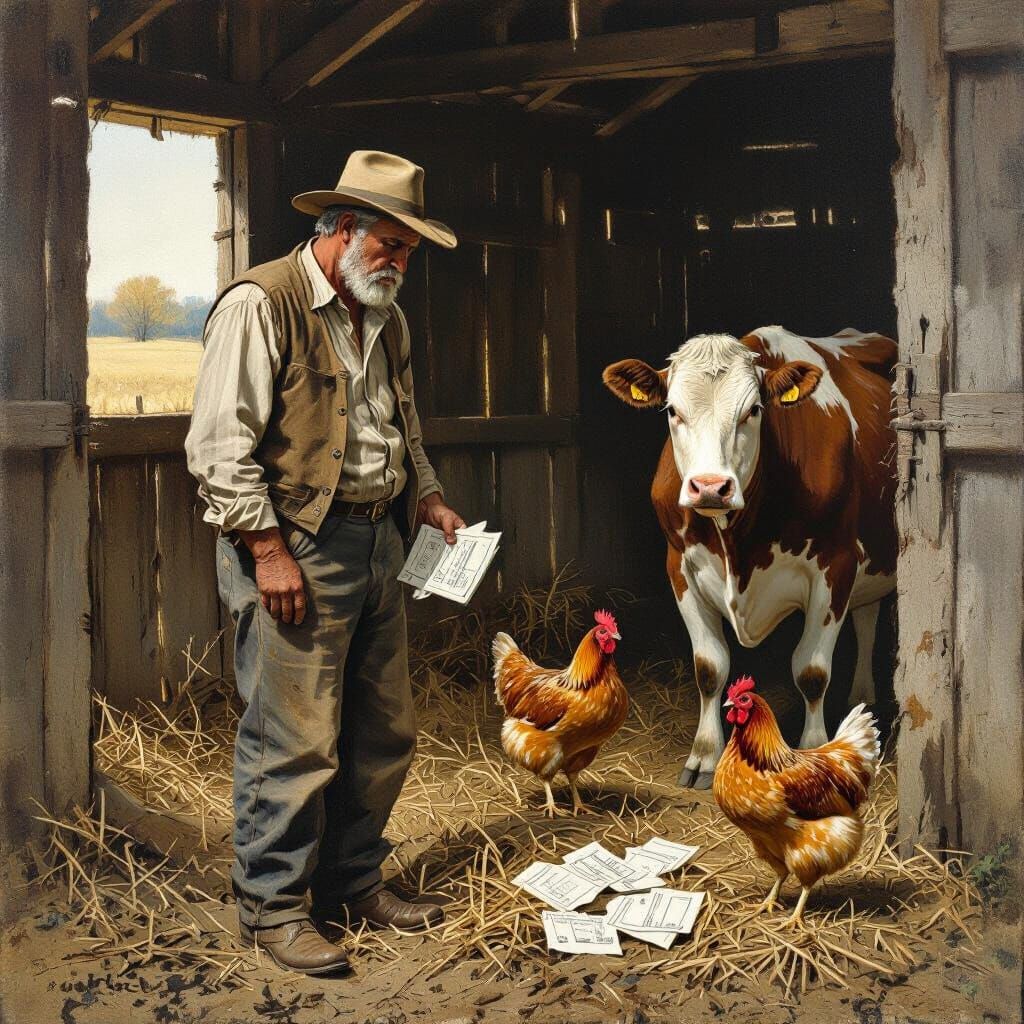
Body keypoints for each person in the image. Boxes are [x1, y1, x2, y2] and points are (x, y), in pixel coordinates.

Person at [185, 150, 466, 975]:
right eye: (389, 243)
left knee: (385, 731)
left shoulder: (386, 317)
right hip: (296, 545)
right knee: (292, 738)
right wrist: (266, 551)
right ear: (340, 229)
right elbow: (217, 448)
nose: (400, 262)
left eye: (410, 249)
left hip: (378, 539)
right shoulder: (261, 302)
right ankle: (272, 908)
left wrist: (428, 497)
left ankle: (353, 883)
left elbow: (397, 424)